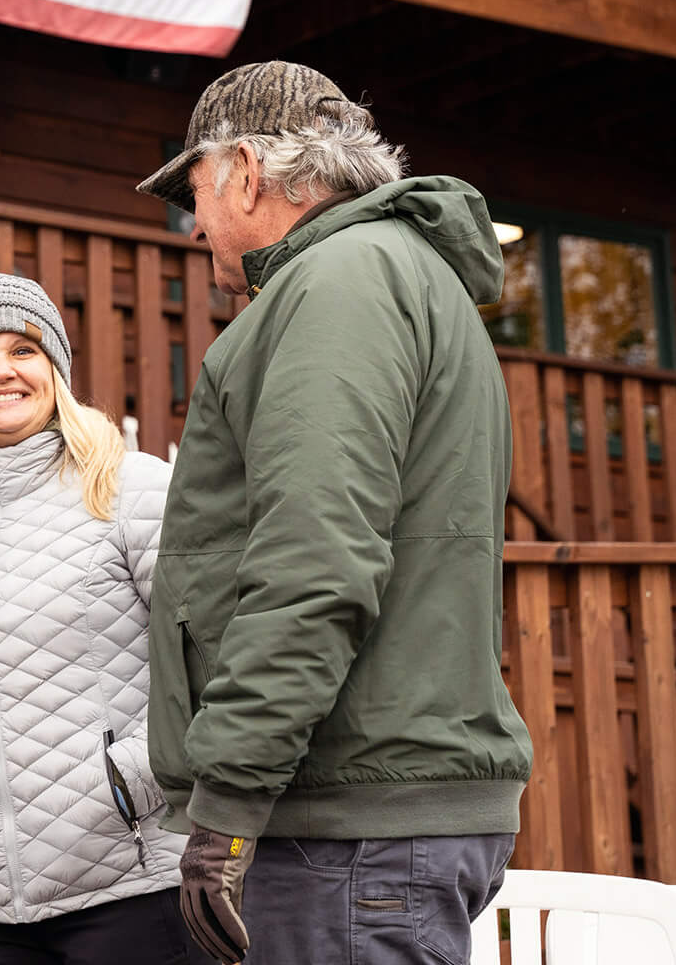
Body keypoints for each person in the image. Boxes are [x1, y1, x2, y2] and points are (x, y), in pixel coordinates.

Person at [132, 61, 533, 965]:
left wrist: (227, 807)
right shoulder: (393, 275)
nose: (193, 223)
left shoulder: (341, 283)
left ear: (244, 170)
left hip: (347, 834)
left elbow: (315, 561)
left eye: (193, 191)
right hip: (368, 824)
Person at [0, 273, 200, 965]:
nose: (0, 371)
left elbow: (206, 656)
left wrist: (133, 781)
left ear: (55, 367)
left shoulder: (132, 488)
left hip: (133, 881)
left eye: (22, 349)